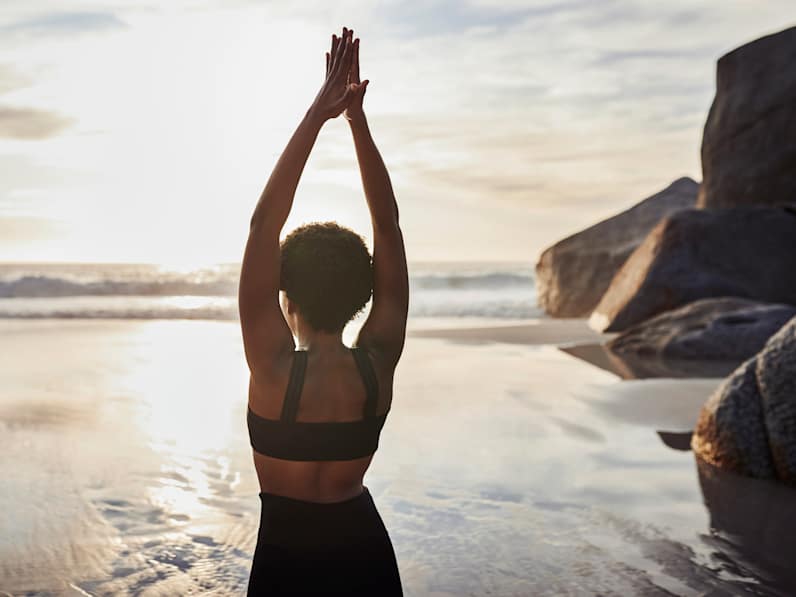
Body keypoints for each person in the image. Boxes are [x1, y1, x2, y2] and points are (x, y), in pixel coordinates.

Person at [238, 26, 408, 596]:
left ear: (285, 297)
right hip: (365, 557)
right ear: (365, 293)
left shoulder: (272, 370)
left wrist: (320, 111)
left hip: (284, 564)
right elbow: (388, 226)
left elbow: (265, 222)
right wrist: (357, 121)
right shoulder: (377, 366)